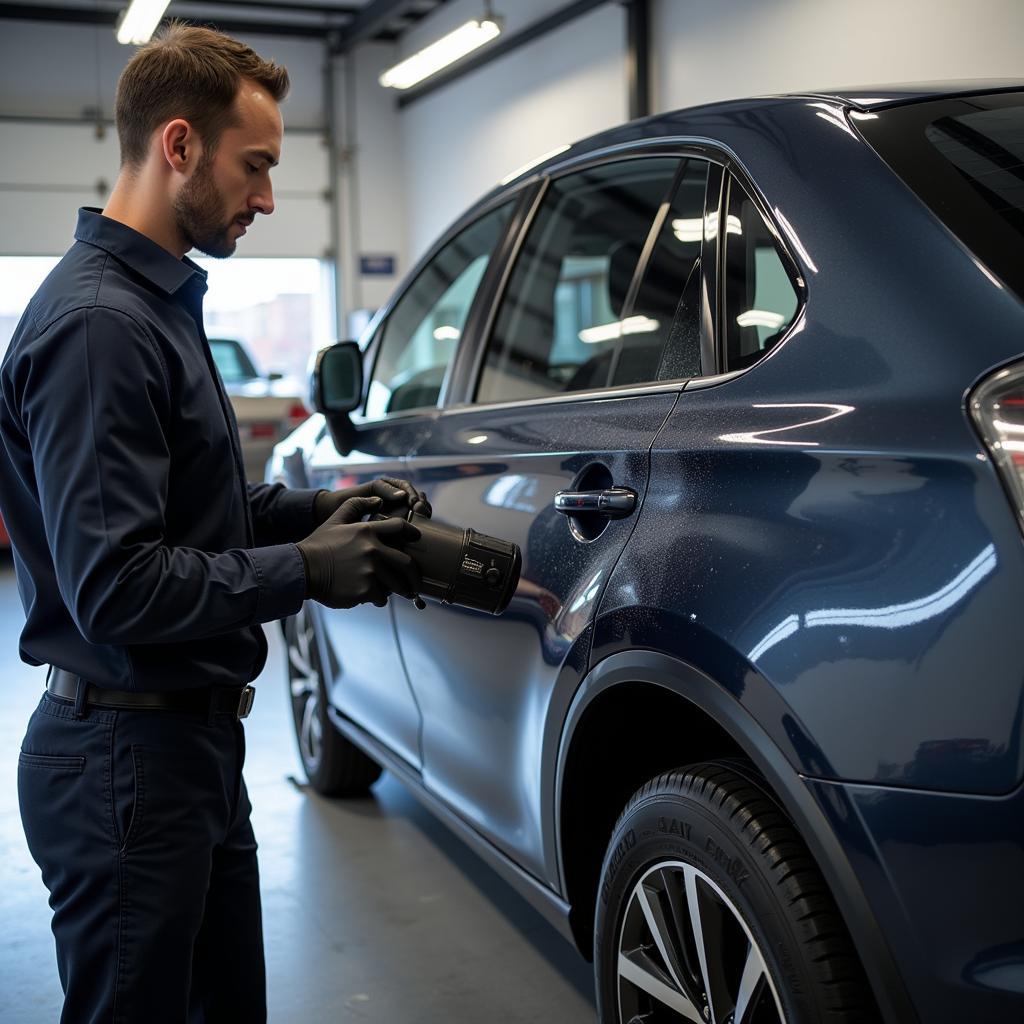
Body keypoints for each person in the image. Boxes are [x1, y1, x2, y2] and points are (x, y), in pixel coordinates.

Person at [0, 24, 427, 1023]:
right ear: (180, 146)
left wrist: (321, 512)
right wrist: (305, 571)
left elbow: (195, 513)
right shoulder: (101, 326)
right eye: (258, 166)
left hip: (185, 752)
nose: (269, 198)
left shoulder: (157, 309)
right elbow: (116, 587)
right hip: (123, 765)